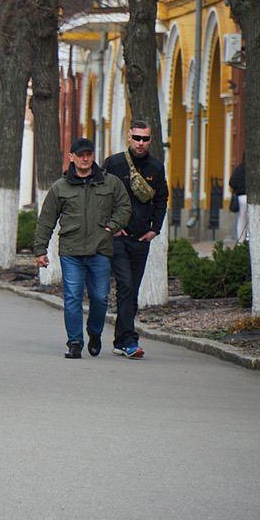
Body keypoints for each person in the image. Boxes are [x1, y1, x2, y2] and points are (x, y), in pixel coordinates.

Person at [33, 137, 132, 360]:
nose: (85, 158)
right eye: (80, 155)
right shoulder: (60, 187)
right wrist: (40, 250)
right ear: (72, 157)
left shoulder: (110, 183)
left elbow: (124, 207)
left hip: (100, 250)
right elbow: (47, 219)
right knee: (72, 298)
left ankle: (94, 332)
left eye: (88, 154)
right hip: (71, 252)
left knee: (99, 297)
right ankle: (75, 341)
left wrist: (112, 226)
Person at [103, 121, 167, 360]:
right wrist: (111, 226)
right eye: (137, 138)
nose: (141, 143)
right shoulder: (114, 163)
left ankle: (122, 340)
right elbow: (100, 195)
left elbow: (161, 199)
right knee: (126, 286)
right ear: (128, 137)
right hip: (118, 238)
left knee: (131, 289)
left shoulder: (156, 167)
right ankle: (129, 340)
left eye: (145, 139)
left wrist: (155, 230)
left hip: (142, 239)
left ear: (151, 140)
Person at [229, 160, 247, 243]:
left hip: (241, 197)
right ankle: (249, 238)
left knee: (241, 219)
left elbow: (232, 183)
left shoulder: (239, 169)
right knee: (251, 219)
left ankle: (240, 240)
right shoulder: (254, 169)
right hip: (253, 198)